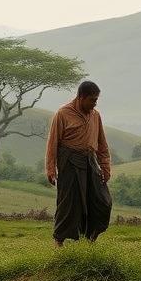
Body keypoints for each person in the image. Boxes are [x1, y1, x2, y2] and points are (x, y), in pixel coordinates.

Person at [46, 81, 112, 247]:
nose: (95, 103)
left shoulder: (95, 115)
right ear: (81, 97)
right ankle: (58, 242)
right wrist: (50, 168)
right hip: (69, 161)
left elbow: (102, 144)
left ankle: (90, 239)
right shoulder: (62, 114)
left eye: (96, 100)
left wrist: (105, 166)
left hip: (91, 161)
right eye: (92, 99)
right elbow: (52, 143)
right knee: (68, 204)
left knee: (102, 201)